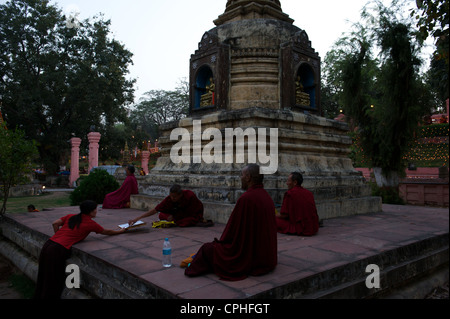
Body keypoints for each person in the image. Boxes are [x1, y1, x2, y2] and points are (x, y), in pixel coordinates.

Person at [184, 164, 277, 281]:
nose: (240, 178)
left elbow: (231, 233)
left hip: (251, 258)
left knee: (207, 249)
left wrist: (220, 245)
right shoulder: (266, 196)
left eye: (241, 175)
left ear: (248, 177)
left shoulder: (247, 198)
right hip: (267, 258)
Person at [34, 200, 126, 299]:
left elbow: (55, 223)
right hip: (57, 249)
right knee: (54, 277)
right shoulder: (90, 223)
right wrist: (120, 231)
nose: (96, 211)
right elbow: (106, 232)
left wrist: (58, 236)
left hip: (49, 244)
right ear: (90, 212)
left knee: (44, 274)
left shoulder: (71, 216)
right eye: (95, 209)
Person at [128, 184, 208, 227]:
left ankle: (175, 221)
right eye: (171, 196)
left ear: (180, 195)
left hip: (189, 215)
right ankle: (173, 220)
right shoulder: (169, 199)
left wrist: (176, 217)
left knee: (187, 221)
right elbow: (155, 210)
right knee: (161, 215)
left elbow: (197, 208)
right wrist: (137, 219)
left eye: (174, 197)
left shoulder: (189, 195)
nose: (172, 198)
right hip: (176, 214)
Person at [276, 172, 319, 236]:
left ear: (295, 182)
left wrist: (274, 214)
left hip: (300, 228)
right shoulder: (309, 193)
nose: (287, 183)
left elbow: (284, 215)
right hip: (313, 228)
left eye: (288, 181)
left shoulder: (290, 194)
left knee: (272, 220)